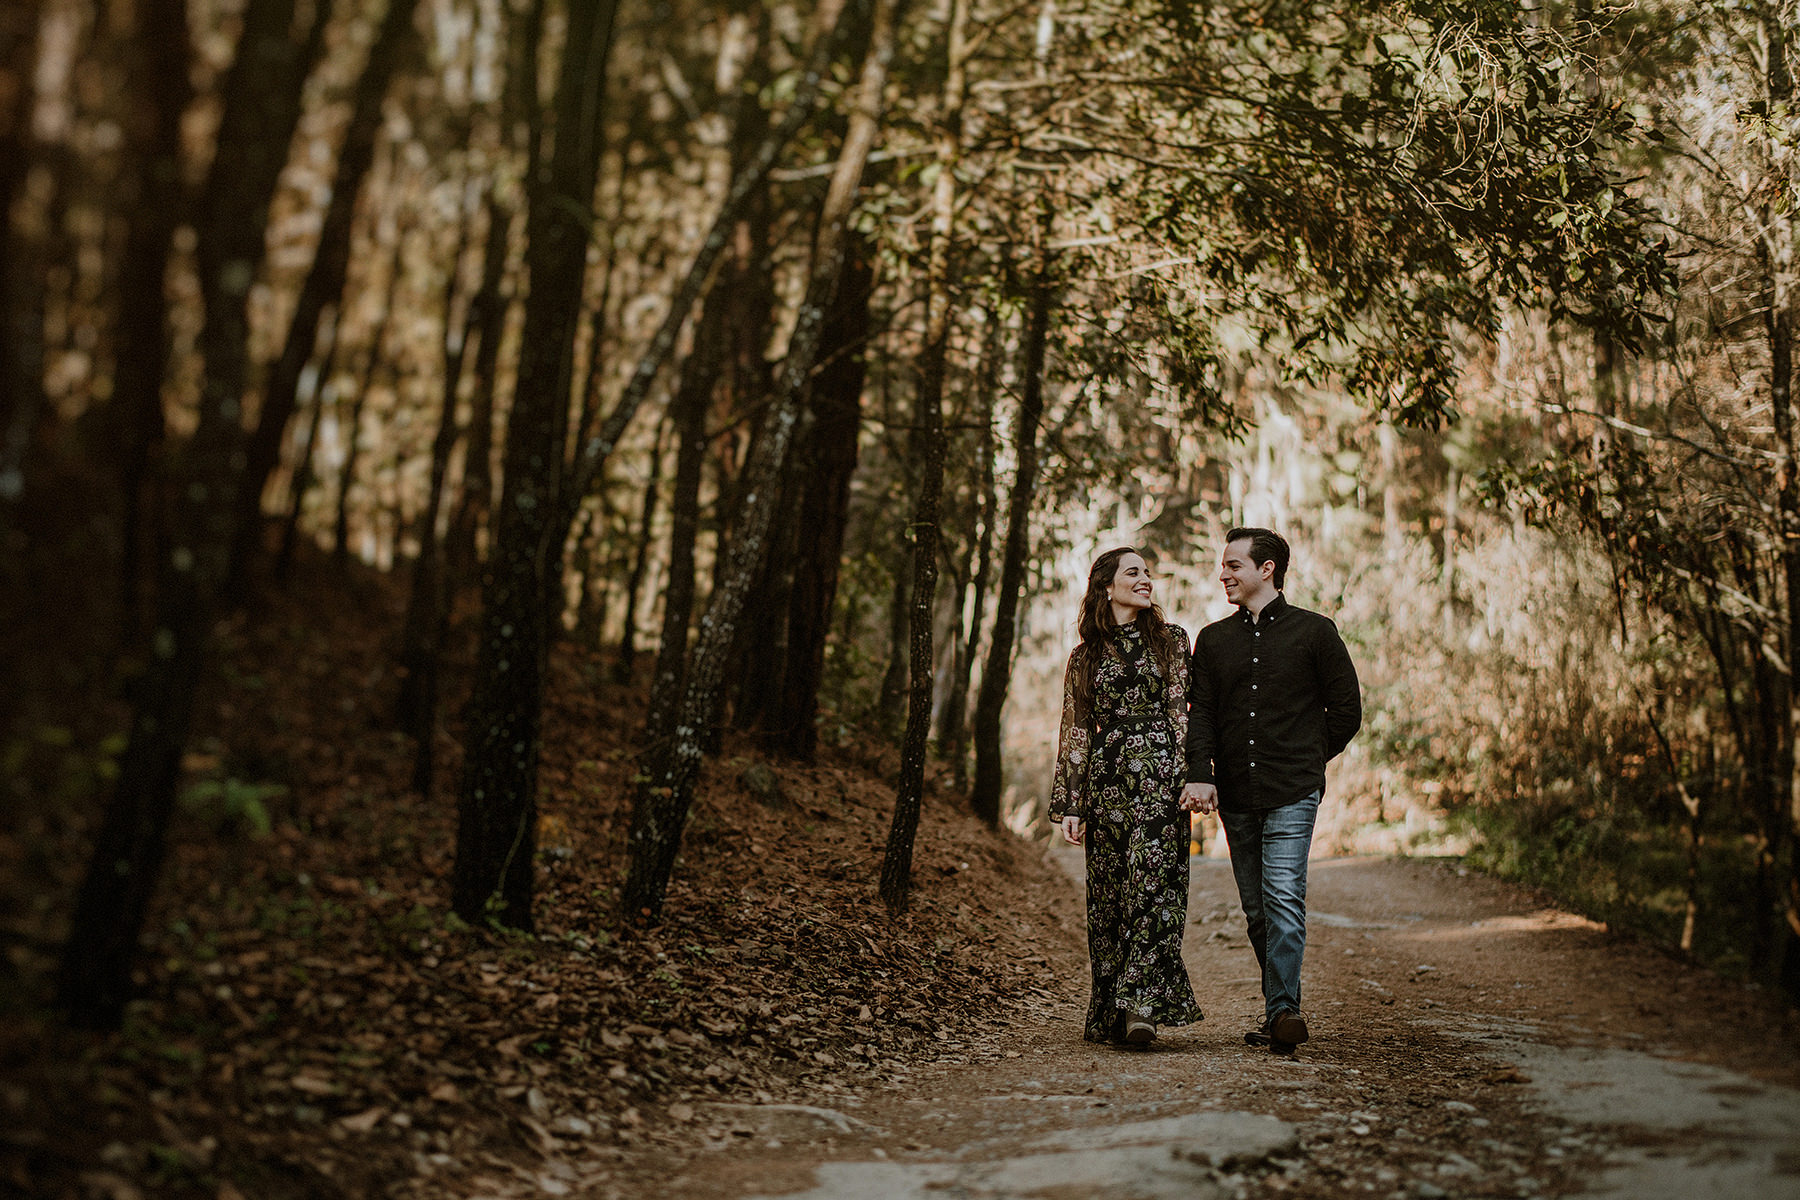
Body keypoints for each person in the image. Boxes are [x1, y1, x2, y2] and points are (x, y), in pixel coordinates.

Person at [1180, 527, 1361, 1056]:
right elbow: (1203, 715)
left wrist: (1306, 757)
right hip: (1236, 792)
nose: (1224, 575)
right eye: (1223, 565)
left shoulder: (1316, 633)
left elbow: (1346, 711)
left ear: (1267, 570)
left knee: (1283, 898)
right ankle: (1283, 1006)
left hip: (1293, 789)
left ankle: (1283, 1011)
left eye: (1234, 565)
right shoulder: (1213, 640)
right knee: (1257, 910)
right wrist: (1202, 772)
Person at [1049, 547, 1204, 1046]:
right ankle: (1114, 1006)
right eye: (1133, 572)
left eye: (1147, 573)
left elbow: (1184, 712)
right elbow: (1074, 729)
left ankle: (1142, 1006)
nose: (1145, 580)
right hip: (1106, 782)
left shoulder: (1171, 640)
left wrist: (1194, 776)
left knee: (1156, 889)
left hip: (1162, 779)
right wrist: (1072, 803)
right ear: (1106, 585)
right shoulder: (1085, 655)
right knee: (1112, 897)